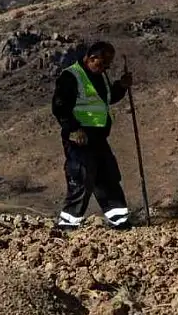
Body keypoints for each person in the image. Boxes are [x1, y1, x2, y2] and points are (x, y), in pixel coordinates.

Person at [51, 41, 134, 231]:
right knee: (82, 178)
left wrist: (121, 85)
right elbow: (60, 107)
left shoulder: (100, 76)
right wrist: (73, 129)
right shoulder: (71, 76)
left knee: (108, 177)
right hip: (79, 138)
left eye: (108, 65)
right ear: (91, 58)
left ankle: (119, 221)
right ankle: (67, 225)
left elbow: (106, 98)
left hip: (98, 137)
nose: (105, 68)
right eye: (102, 63)